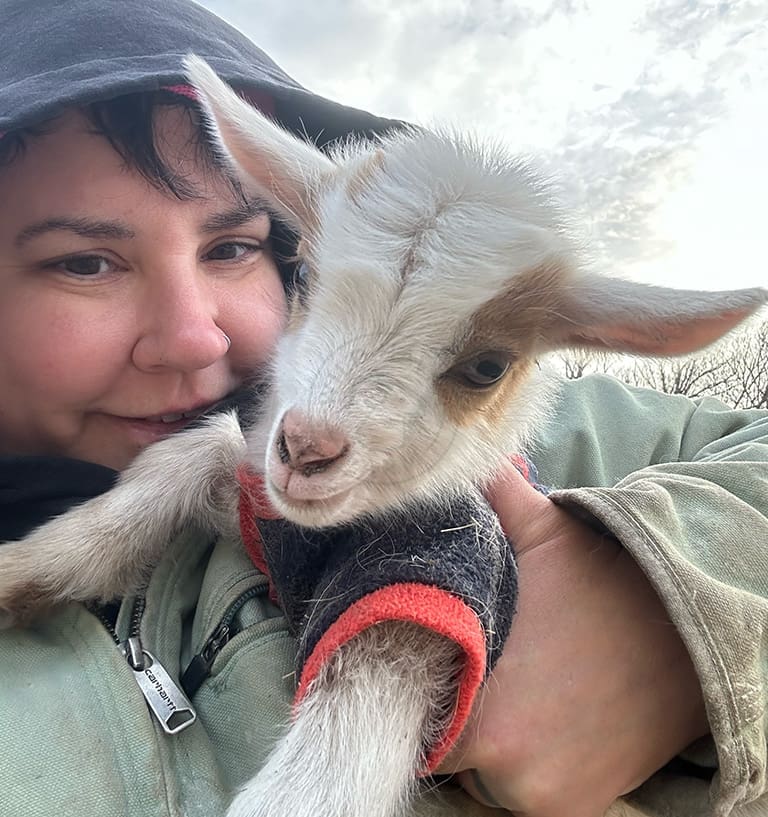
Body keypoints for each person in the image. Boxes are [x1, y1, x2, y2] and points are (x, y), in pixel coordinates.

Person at [0, 1, 765, 816]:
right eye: (84, 262)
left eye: (232, 248)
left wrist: (664, 615)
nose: (194, 337)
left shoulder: (574, 445)